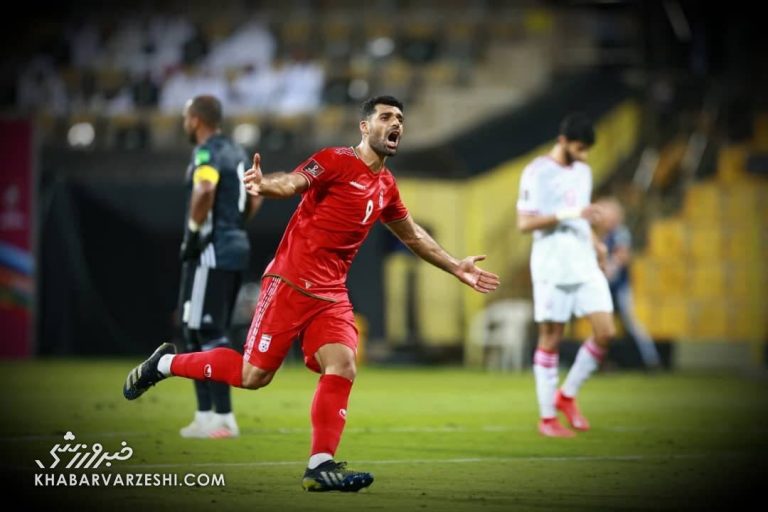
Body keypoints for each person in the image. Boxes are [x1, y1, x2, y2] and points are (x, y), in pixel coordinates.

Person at [123, 95, 500, 491]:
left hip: (332, 292)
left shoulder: (386, 185)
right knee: (253, 376)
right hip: (289, 281)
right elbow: (293, 181)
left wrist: (455, 265)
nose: (396, 124)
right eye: (386, 117)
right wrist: (264, 184)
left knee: (344, 364)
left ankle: (320, 465)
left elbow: (413, 235)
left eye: (401, 119)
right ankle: (163, 365)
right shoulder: (335, 160)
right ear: (364, 127)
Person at [516, 112, 616, 438]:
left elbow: (582, 218)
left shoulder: (583, 172)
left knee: (605, 332)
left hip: (584, 261)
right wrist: (572, 213)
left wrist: (597, 245)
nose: (584, 155)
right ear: (562, 141)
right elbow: (525, 223)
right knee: (552, 338)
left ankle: (567, 395)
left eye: (587, 149)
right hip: (551, 266)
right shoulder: (537, 172)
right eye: (579, 148)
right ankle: (547, 419)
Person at [175, 95, 263, 439]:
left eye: (186, 117)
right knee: (196, 329)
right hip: (234, 245)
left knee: (205, 331)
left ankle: (223, 416)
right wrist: (236, 225)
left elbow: (205, 190)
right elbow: (255, 195)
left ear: (195, 119)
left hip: (210, 250)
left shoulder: (207, 151)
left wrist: (196, 232)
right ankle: (205, 415)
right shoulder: (238, 153)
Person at [593, 197, 661, 370]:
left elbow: (623, 256)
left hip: (620, 288)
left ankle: (652, 361)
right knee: (602, 327)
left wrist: (608, 269)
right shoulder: (602, 235)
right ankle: (602, 362)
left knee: (632, 324)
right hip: (606, 289)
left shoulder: (620, 233)